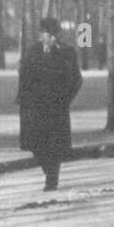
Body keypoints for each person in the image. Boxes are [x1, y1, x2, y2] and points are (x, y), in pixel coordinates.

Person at [16, 16, 82, 192]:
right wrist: (25, 101)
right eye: (48, 34)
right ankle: (49, 173)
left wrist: (66, 99)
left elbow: (76, 79)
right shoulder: (32, 52)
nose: (52, 38)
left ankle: (52, 179)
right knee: (36, 145)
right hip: (37, 107)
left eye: (55, 35)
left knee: (55, 145)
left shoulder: (67, 52)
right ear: (42, 35)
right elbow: (24, 78)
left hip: (56, 107)